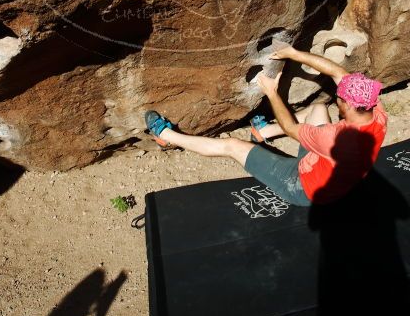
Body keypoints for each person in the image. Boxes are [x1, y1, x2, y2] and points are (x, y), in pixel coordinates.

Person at [144, 43, 387, 205]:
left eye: (340, 97)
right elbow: (338, 73)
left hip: (302, 186)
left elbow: (292, 129)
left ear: (350, 104)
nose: (337, 96)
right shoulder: (376, 112)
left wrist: (272, 93)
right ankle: (262, 132)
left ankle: (167, 136)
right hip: (327, 166)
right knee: (319, 109)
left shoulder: (335, 139)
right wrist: (294, 54)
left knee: (233, 146)